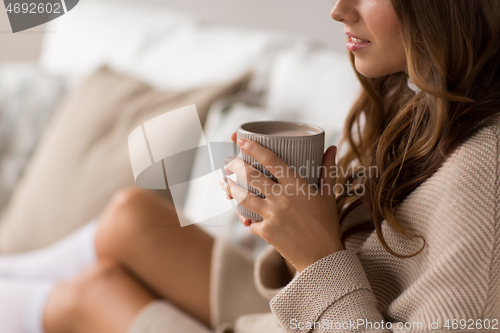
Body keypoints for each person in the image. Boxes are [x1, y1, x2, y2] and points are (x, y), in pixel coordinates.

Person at [1, 0, 499, 332]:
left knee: (91, 296)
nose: (338, 9)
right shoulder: (428, 107)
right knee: (132, 215)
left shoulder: (485, 180)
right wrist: (294, 234)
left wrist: (316, 257)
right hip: (289, 318)